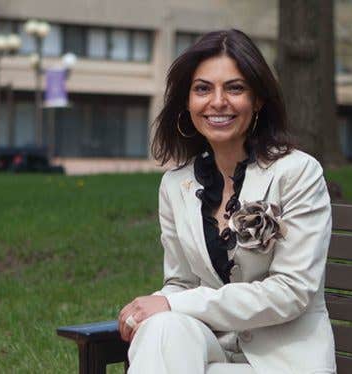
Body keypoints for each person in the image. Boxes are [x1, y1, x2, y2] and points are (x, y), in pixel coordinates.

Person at [117, 29, 336, 374]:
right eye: (203, 89)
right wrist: (160, 307)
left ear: (258, 100)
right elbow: (182, 283)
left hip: (283, 361)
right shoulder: (176, 185)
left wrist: (171, 303)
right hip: (211, 350)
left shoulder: (297, 173)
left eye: (234, 88)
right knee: (161, 329)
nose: (217, 101)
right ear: (187, 103)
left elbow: (291, 291)